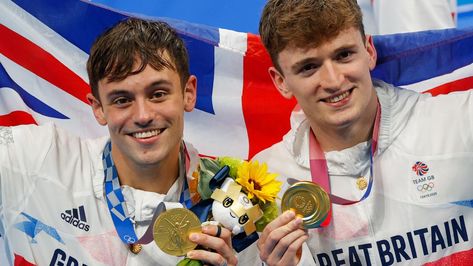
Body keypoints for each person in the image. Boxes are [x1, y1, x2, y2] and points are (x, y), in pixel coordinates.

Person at [0, 18, 241, 266]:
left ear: (188, 94)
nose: (143, 116)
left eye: (158, 94)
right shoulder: (39, 155)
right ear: (98, 108)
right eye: (122, 100)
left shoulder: (229, 205)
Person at [254, 0, 473, 265]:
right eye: (309, 67)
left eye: (344, 55)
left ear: (369, 51)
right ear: (281, 82)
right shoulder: (266, 180)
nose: (334, 81)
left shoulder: (459, 121)